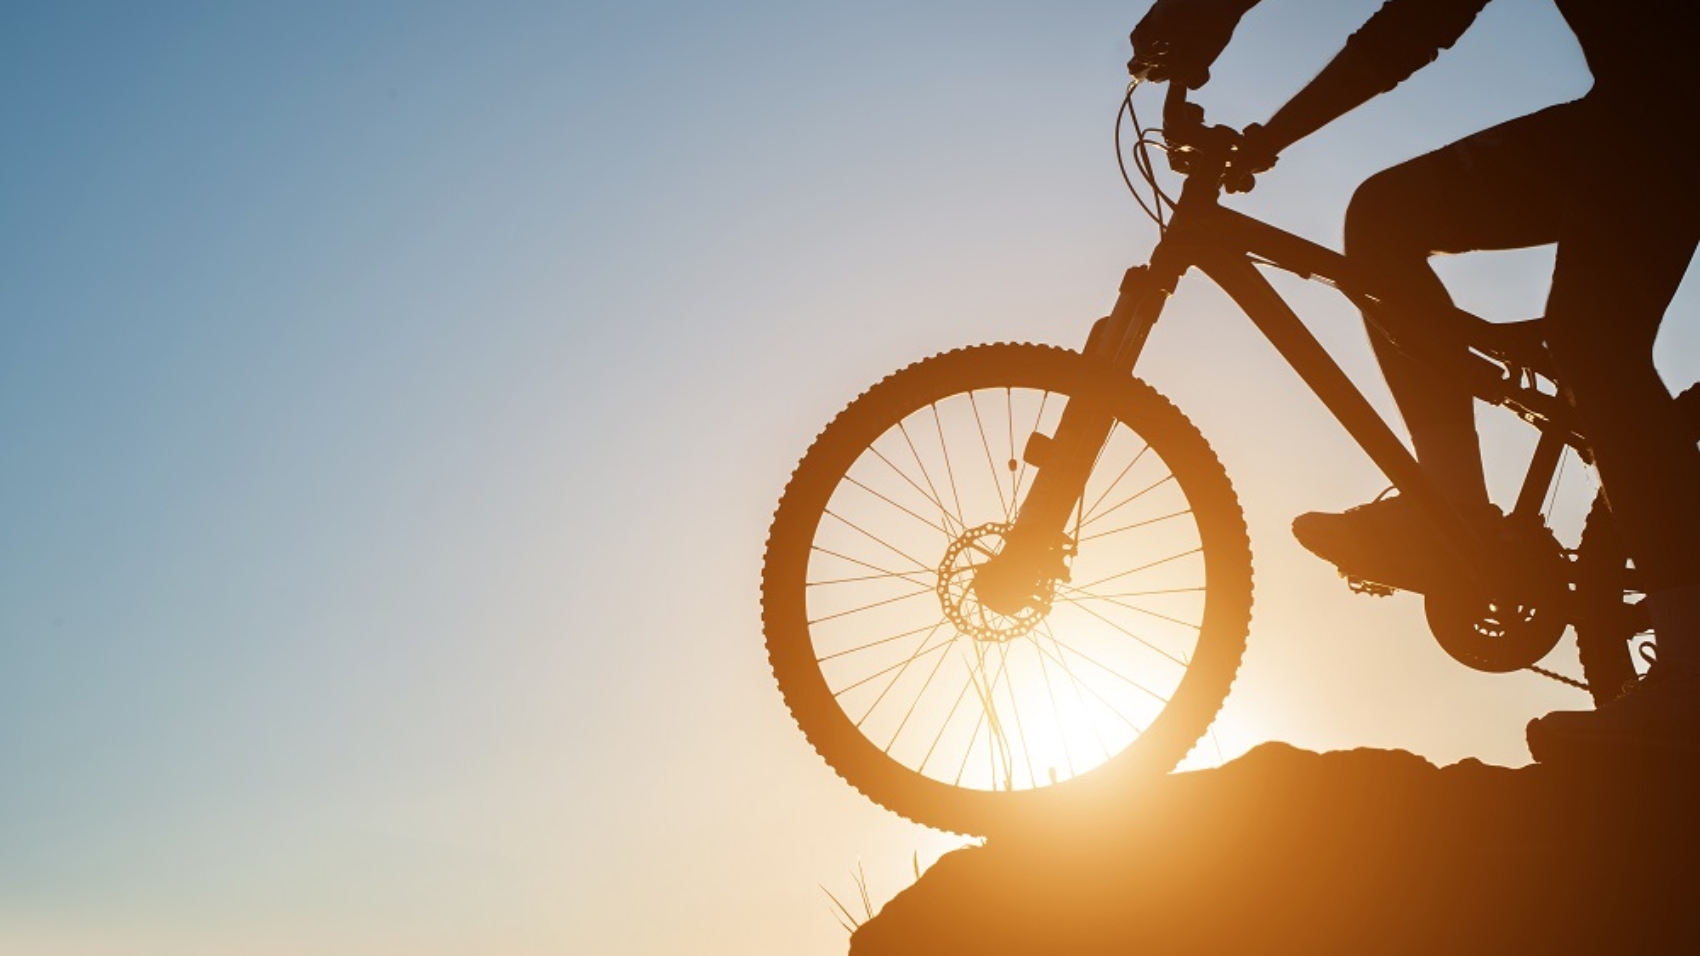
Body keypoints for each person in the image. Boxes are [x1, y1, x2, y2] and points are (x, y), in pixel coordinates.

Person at [1127, 0, 1700, 760]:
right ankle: (1455, 515)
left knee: (1595, 342)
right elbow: (1418, 24)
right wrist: (1269, 135)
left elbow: (1420, 23)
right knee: (1386, 219)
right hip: (1638, 110)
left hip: (1672, 110)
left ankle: (1690, 677)